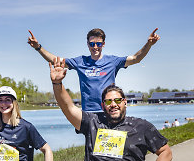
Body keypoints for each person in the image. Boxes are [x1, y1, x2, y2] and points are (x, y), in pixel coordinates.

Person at [28, 28, 160, 112]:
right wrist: (38, 47)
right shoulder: (80, 61)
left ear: (103, 44)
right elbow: (55, 60)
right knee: (91, 151)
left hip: (109, 110)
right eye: (92, 44)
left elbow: (136, 58)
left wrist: (149, 44)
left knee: (110, 151)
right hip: (89, 113)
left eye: (98, 44)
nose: (95, 47)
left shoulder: (112, 61)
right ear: (87, 44)